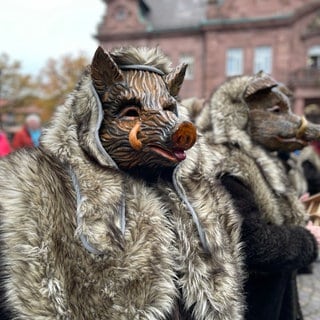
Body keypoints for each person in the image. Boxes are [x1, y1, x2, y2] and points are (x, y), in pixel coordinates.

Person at [0, 46, 245, 319]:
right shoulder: (35, 187)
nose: (172, 124)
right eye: (131, 112)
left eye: (168, 109)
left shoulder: (197, 189)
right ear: (92, 119)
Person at [193, 72, 320, 320]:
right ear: (239, 114)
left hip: (272, 299)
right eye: (275, 111)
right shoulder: (224, 166)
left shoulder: (256, 160)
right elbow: (254, 245)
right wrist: (308, 239)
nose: (291, 121)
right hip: (248, 306)